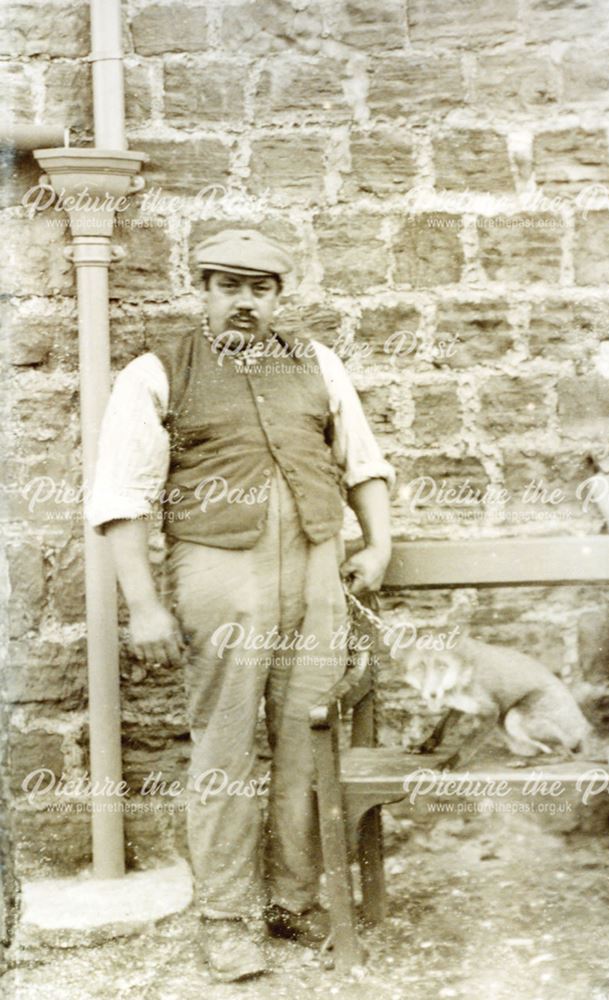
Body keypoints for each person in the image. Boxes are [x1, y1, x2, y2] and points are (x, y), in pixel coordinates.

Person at [86, 228, 394, 982]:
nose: (244, 302)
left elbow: (362, 460)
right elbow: (122, 498)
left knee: (306, 741)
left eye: (259, 289)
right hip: (220, 573)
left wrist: (377, 544)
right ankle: (224, 919)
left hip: (317, 570)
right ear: (203, 290)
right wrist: (146, 606)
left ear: (279, 296)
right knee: (224, 749)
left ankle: (292, 899)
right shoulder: (156, 372)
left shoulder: (317, 363)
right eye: (228, 286)